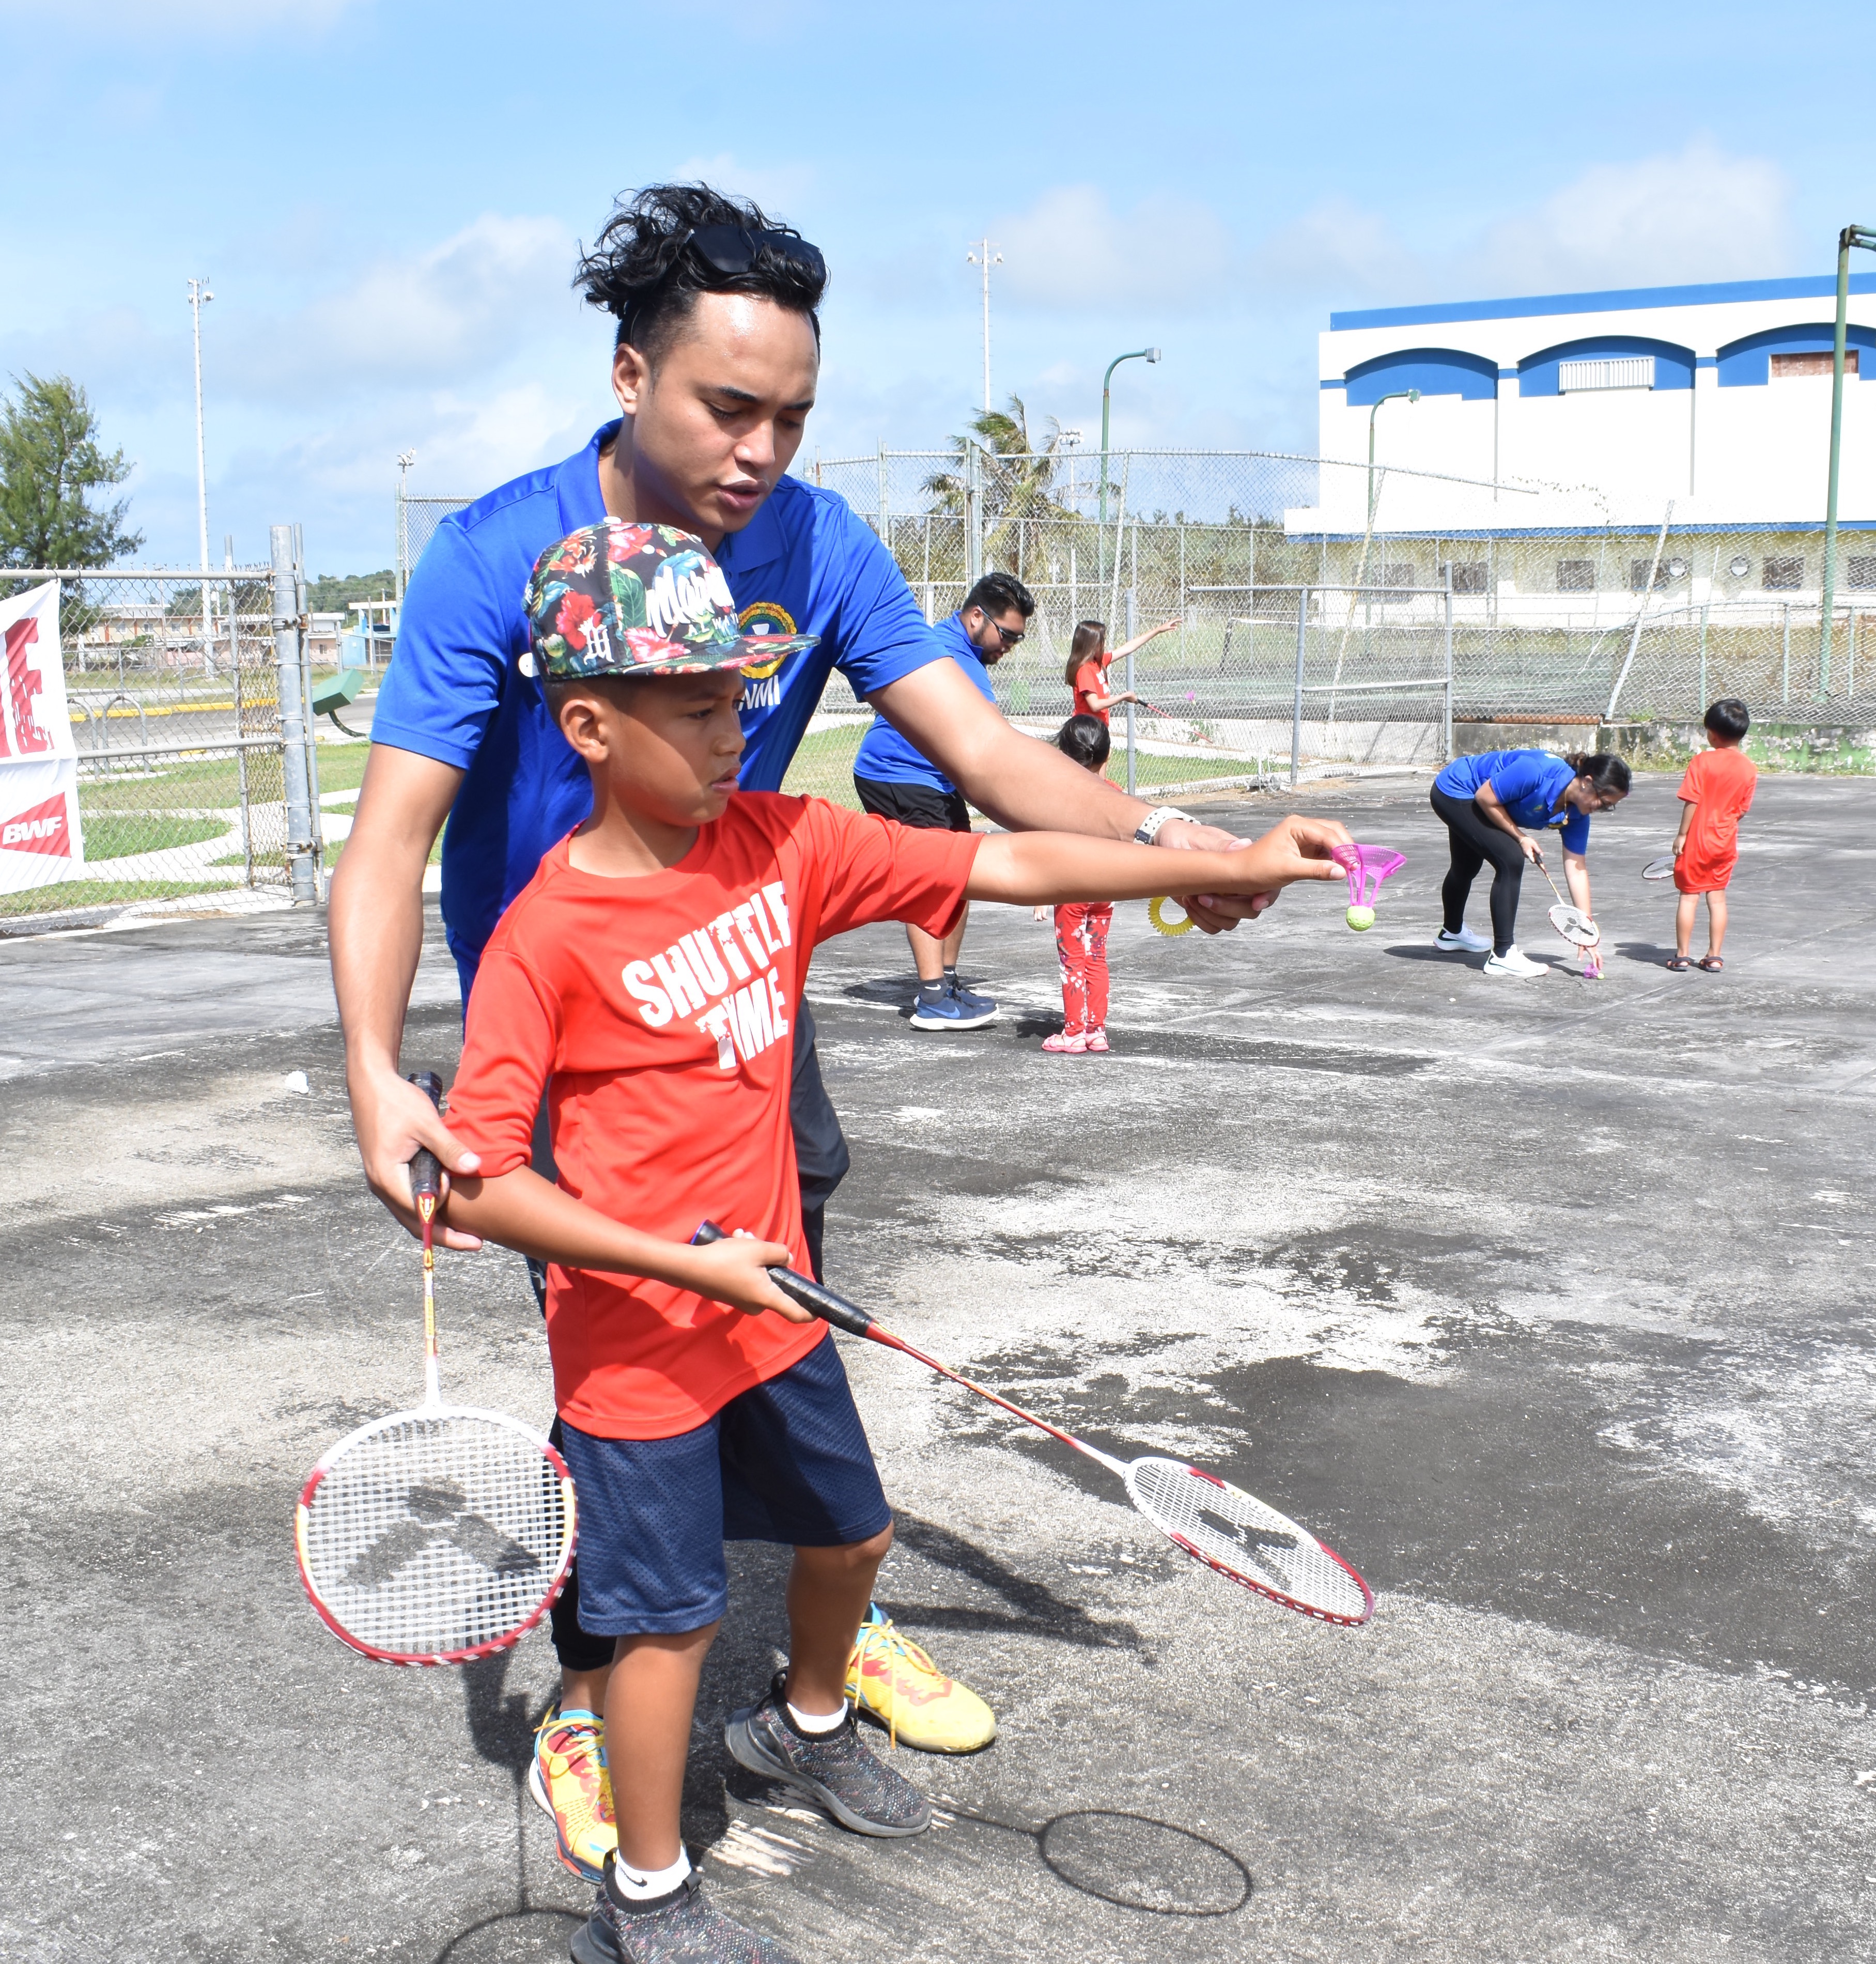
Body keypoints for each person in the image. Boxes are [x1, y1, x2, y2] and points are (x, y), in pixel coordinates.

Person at [326, 181, 1353, 1885]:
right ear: (630, 371)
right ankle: (604, 1691)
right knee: (629, 1368)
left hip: (739, 967)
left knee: (781, 1291)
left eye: (791, 415)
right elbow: (391, 836)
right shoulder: (495, 554)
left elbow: (994, 779)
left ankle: (816, 1625)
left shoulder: (817, 543)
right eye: (726, 407)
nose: (758, 450)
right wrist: (375, 1068)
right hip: (566, 1011)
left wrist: (1169, 848)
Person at [435, 517, 1347, 1964]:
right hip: (640, 1349)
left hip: (773, 1309)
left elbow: (1005, 866)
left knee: (851, 1534)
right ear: (590, 723)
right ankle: (649, 1893)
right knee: (661, 1623)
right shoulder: (548, 934)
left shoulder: (782, 843)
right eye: (697, 707)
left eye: (742, 697)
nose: (737, 729)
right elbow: (480, 1188)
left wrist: (1211, 853)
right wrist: (685, 1263)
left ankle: (800, 1723)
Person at [851, 571, 1034, 1031]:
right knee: (930, 880)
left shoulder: (949, 643)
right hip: (900, 777)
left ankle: (947, 982)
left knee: (961, 876)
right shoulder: (954, 657)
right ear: (977, 617)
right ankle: (932, 998)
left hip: (931, 780)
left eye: (1017, 638)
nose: (1010, 645)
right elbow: (997, 744)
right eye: (1007, 634)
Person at [1427, 749, 1632, 977]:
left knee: (1466, 866)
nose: (1602, 809)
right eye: (1603, 802)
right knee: (1510, 859)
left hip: (1483, 797)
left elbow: (1577, 869)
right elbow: (1486, 798)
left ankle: (1452, 933)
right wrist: (1521, 838)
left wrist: (1586, 932)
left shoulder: (1576, 816)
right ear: (1587, 782)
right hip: (1458, 789)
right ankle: (1503, 956)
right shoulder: (1535, 772)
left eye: (1609, 806)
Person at [1041, 714, 1118, 1055]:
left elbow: (1050, 849)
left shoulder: (1061, 799)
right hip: (1107, 890)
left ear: (1064, 756)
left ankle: (1073, 1032)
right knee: (1096, 957)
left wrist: (1042, 892)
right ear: (1108, 755)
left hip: (1072, 891)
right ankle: (1096, 1030)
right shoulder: (1116, 795)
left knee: (1072, 959)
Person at [1668, 697, 1758, 973]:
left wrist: (1682, 835)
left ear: (1713, 733)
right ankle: (1714, 956)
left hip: (1697, 841)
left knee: (1688, 897)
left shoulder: (1702, 762)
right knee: (1717, 898)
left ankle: (1683, 955)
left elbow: (1692, 802)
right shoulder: (1749, 768)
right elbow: (1741, 810)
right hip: (1725, 841)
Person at [1067, 615, 1180, 727]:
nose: (1104, 644)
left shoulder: (1099, 662)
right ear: (1092, 645)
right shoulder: (1085, 670)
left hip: (1098, 728)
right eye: (1102, 641)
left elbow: (1128, 648)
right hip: (1086, 729)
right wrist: (1123, 697)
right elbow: (1095, 705)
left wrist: (1158, 630)